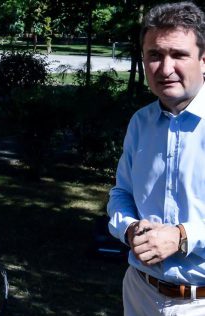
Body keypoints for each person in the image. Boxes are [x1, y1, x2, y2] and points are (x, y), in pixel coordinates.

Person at [107, 1, 205, 315]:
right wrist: (130, 228)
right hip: (140, 292)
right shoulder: (140, 122)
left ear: (204, 60)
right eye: (155, 55)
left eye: (178, 55)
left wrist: (182, 236)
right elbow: (121, 194)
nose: (164, 69)